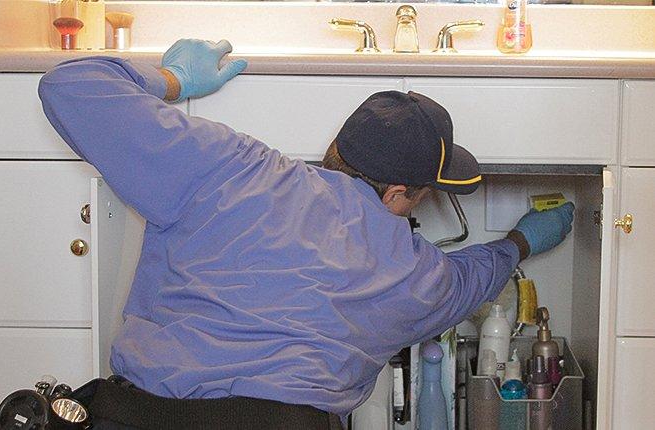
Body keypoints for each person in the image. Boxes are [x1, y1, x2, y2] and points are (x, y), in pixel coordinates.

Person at [38, 39, 574, 429]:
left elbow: (69, 84)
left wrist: (173, 79)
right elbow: (470, 279)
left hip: (138, 413)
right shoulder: (412, 271)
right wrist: (520, 241)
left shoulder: (229, 163)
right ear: (398, 196)